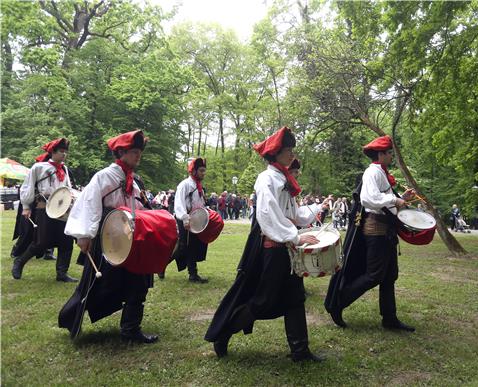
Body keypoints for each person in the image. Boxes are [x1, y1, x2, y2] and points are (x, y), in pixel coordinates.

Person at [205, 126, 328, 362]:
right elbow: (267, 214)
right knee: (264, 302)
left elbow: (293, 214)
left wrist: (316, 210)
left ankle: (300, 351)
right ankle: (225, 331)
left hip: (288, 249)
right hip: (274, 250)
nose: (292, 154)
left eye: (292, 149)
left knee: (296, 298)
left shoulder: (284, 178)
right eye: (288, 150)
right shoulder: (267, 178)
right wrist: (295, 237)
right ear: (275, 153)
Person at [58, 130, 159, 343]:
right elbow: (89, 204)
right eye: (133, 151)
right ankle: (69, 317)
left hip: (129, 240)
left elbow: (138, 207)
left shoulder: (135, 181)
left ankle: (130, 330)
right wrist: (84, 235)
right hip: (107, 239)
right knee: (100, 285)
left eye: (139, 151)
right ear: (121, 152)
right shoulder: (104, 177)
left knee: (138, 282)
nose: (138, 155)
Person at [325, 135, 416, 332]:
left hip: (387, 231)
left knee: (390, 275)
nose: (391, 156)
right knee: (374, 275)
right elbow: (369, 199)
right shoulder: (372, 172)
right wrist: (394, 200)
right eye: (389, 153)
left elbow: (384, 198)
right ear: (380, 154)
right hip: (376, 231)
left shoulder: (382, 173)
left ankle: (389, 318)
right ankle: (339, 301)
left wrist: (402, 198)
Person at [11, 138, 77, 282]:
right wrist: (26, 207)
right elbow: (28, 186)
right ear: (52, 152)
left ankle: (62, 273)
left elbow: (67, 188)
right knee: (41, 242)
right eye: (61, 151)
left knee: (66, 241)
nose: (64, 155)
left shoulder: (65, 168)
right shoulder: (39, 167)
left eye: (66, 152)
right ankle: (19, 262)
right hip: (44, 206)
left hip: (63, 207)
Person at [172, 158, 210, 283]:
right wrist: (185, 219)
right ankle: (163, 265)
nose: (204, 173)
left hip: (195, 220)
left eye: (204, 171)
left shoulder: (198, 186)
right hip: (186, 219)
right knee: (183, 246)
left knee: (192, 246)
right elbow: (179, 203)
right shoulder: (185, 185)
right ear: (193, 171)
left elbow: (199, 203)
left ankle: (193, 274)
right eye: (201, 171)